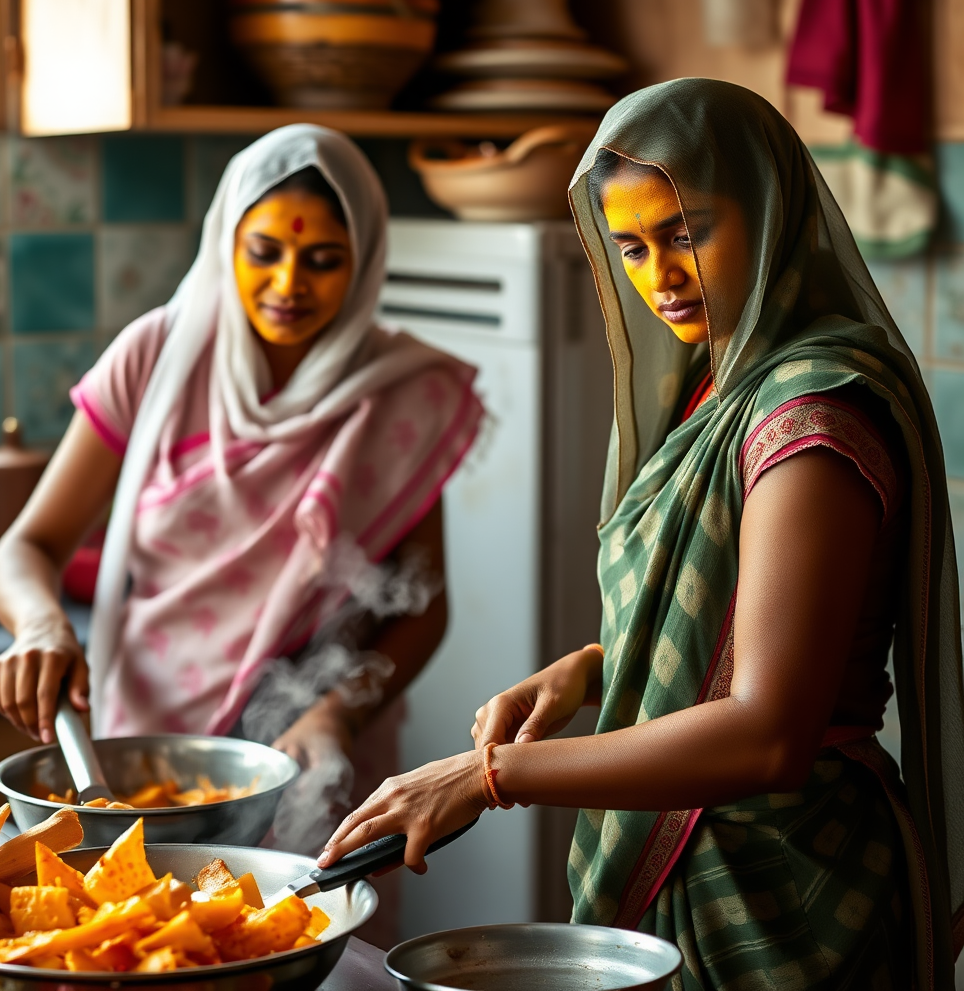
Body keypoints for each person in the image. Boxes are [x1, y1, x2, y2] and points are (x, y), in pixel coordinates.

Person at [317, 80, 964, 988]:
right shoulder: (719, 385)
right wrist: (587, 670)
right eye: (630, 246)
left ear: (770, 215)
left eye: (687, 231)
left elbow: (770, 729)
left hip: (787, 889)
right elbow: (730, 635)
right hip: (699, 858)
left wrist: (488, 775)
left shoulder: (811, 418)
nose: (659, 273)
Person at [0, 126, 483, 882]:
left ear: (365, 262)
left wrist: (336, 712)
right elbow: (28, 546)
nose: (288, 284)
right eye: (264, 253)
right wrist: (43, 625)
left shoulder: (400, 396)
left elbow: (422, 606)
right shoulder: (154, 357)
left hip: (318, 757)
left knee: (303, 940)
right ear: (226, 242)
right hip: (145, 745)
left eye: (322, 261)